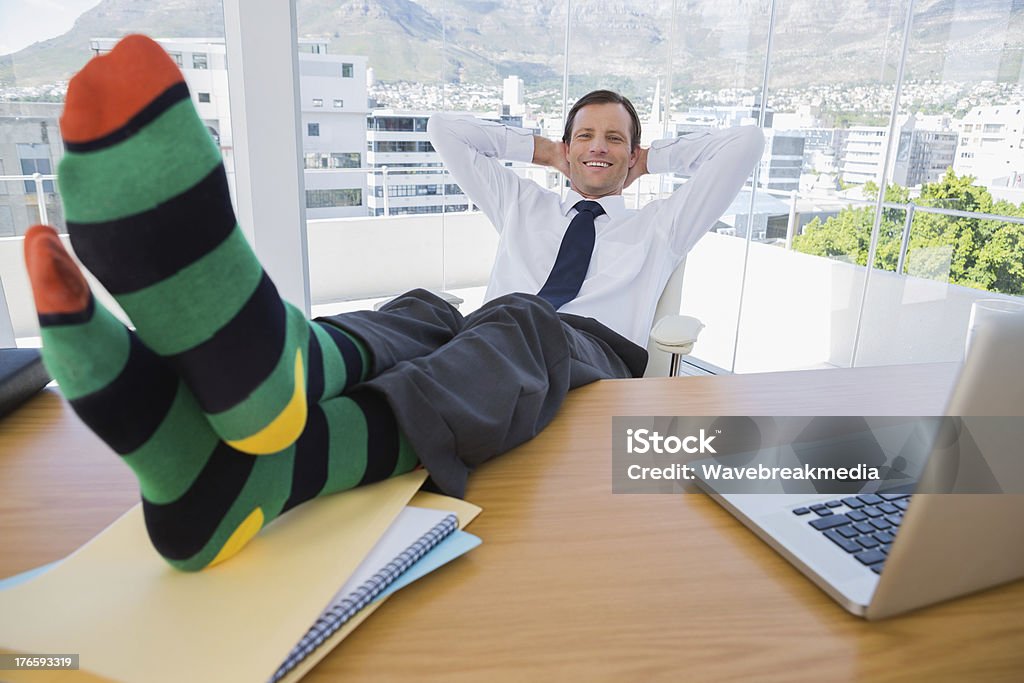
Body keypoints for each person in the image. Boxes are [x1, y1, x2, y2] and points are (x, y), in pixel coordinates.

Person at [24, 34, 763, 571]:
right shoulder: (525, 203)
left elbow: (744, 145)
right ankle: (284, 372)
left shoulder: (662, 223)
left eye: (615, 140)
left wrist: (645, 164)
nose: (597, 148)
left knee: (519, 317)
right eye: (585, 137)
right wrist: (546, 153)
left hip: (589, 352)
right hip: (489, 339)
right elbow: (446, 131)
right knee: (429, 309)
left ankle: (281, 464)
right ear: (563, 147)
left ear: (634, 155)